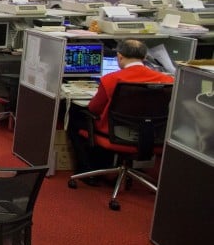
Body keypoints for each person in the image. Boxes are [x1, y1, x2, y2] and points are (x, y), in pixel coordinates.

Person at [69, 39, 174, 179]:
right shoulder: (167, 81)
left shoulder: (111, 79)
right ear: (144, 58)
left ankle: (88, 171)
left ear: (119, 56)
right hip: (152, 135)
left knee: (75, 117)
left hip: (115, 134)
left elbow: (94, 108)